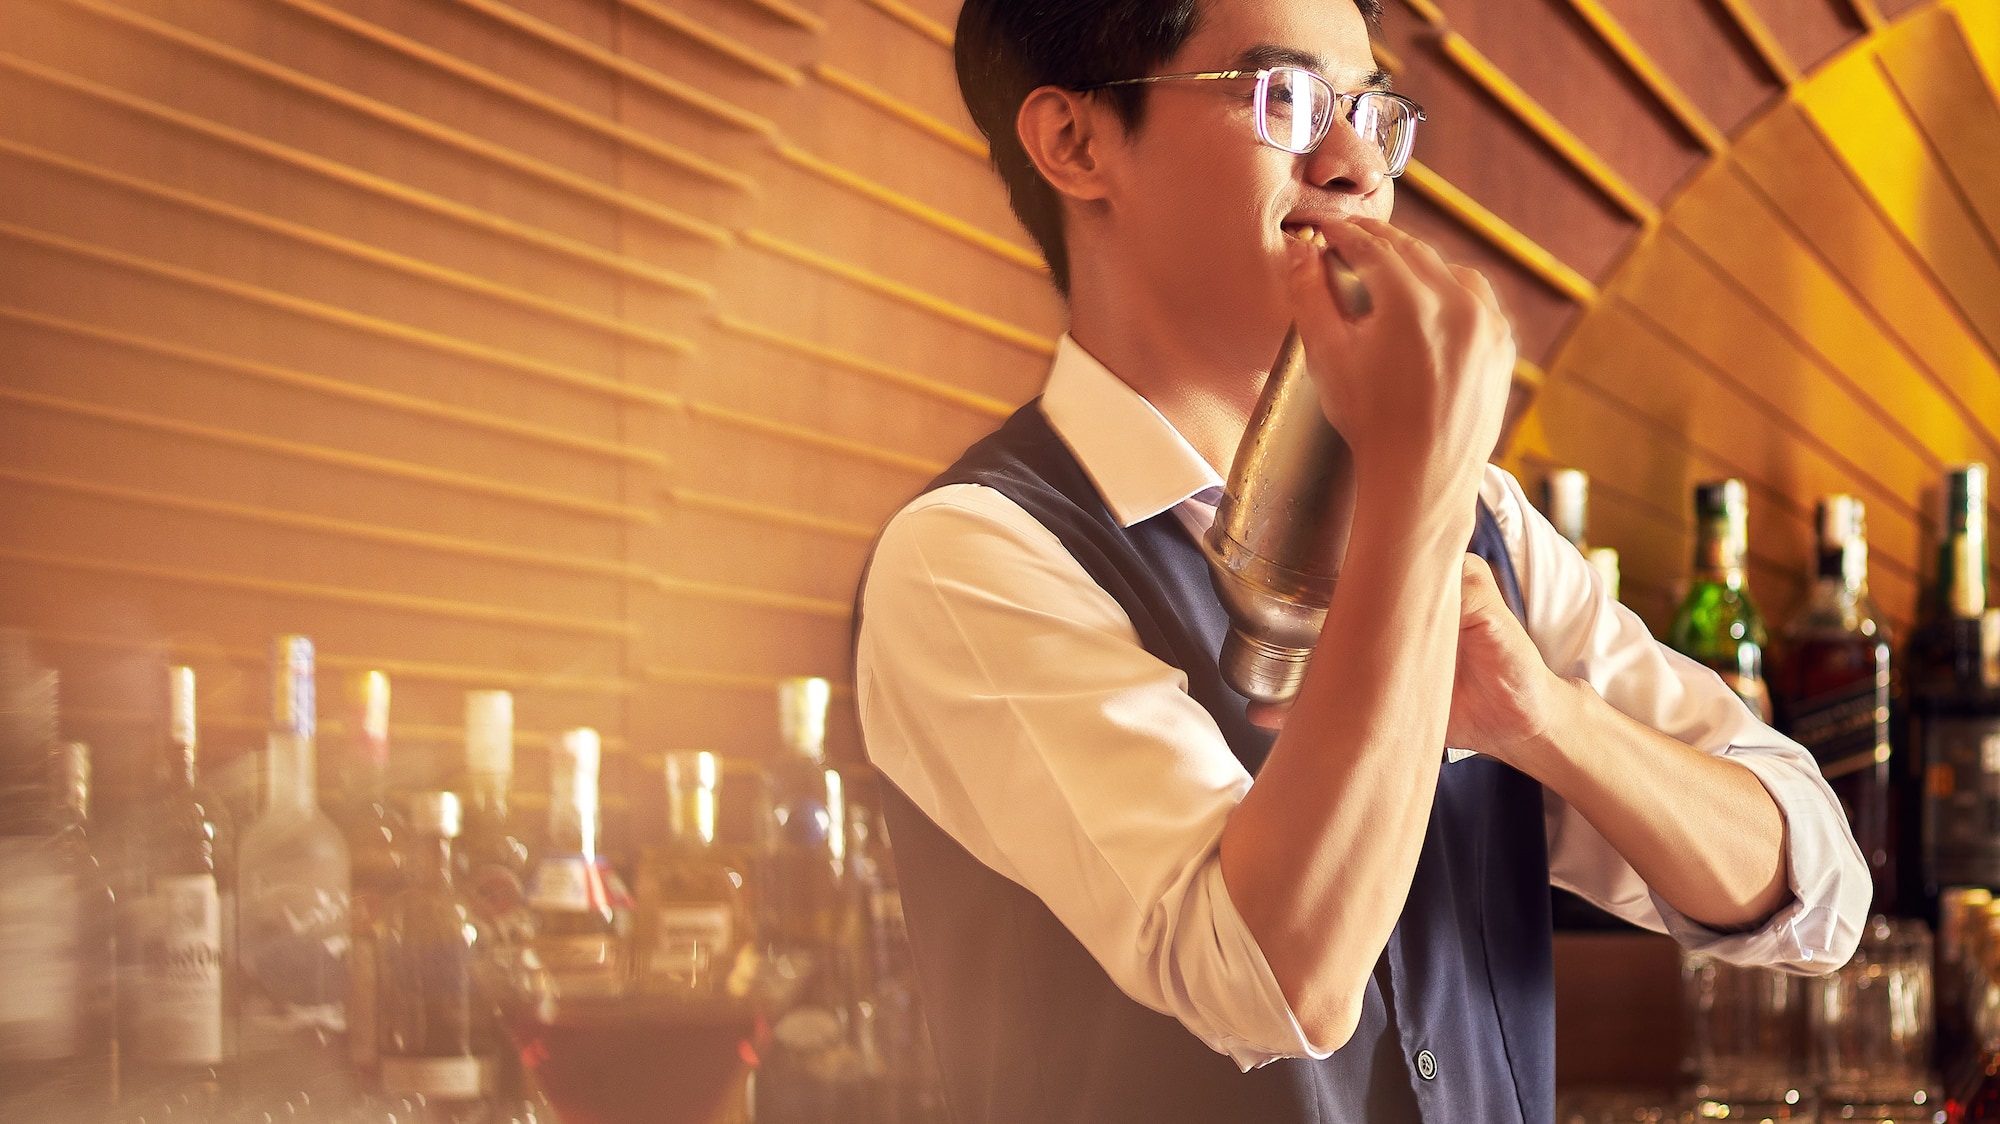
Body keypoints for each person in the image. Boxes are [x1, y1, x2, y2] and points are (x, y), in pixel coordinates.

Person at [852, 0, 1870, 1119]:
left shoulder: (1475, 511)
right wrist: (1412, 491)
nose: (1351, 166)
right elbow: (1273, 983)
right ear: (1075, 143)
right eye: (1280, 99)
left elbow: (1813, 889)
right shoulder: (970, 555)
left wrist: (1542, 716)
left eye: (1370, 111)